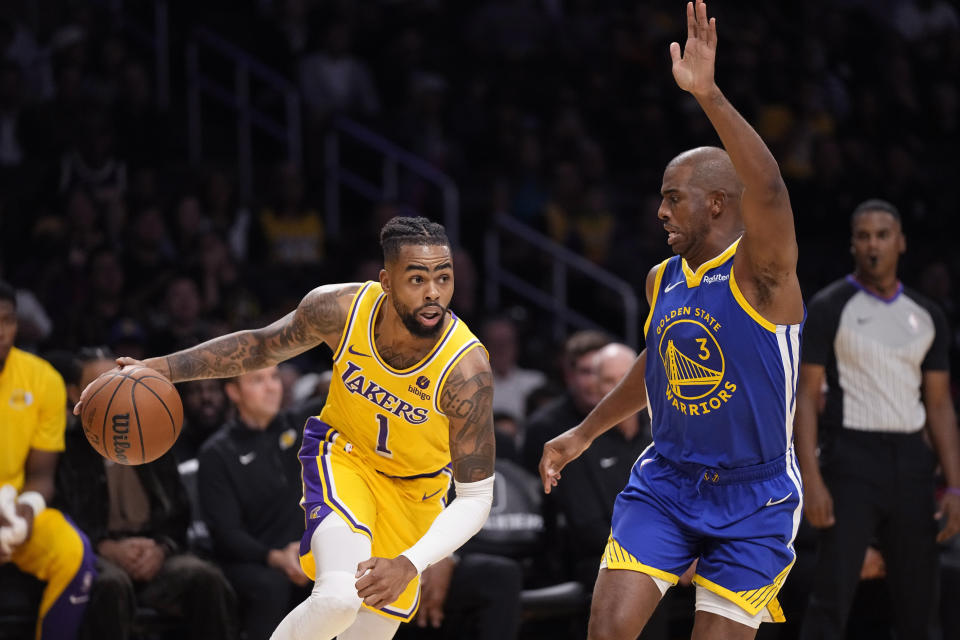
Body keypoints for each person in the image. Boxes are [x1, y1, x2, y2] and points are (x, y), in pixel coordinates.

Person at [75, 216, 496, 640]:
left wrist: (411, 562)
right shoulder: (339, 309)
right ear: (385, 281)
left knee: (363, 633)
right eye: (417, 278)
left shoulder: (466, 370)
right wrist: (160, 368)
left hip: (416, 492)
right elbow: (260, 346)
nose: (433, 293)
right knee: (338, 599)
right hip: (345, 459)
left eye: (444, 278)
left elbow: (476, 498)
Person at [538, 2, 806, 638]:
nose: (659, 210)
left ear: (717, 203)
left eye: (672, 197)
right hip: (668, 482)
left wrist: (708, 94)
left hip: (756, 494)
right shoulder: (664, 278)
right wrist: (583, 433)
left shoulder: (763, 275)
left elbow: (768, 188)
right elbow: (656, 365)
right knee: (605, 632)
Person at [795, 199, 960, 639]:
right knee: (831, 598)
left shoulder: (927, 315)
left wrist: (955, 486)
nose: (873, 244)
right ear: (852, 244)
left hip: (912, 463)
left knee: (920, 602)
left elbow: (940, 405)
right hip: (850, 459)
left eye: (882, 235)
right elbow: (806, 396)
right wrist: (811, 479)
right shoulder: (830, 306)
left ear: (900, 242)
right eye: (864, 236)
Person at [58, 347, 238, 640]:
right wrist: (106, 548)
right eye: (98, 385)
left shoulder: (152, 432)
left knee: (205, 578)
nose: (110, 390)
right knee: (111, 584)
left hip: (154, 550)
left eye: (114, 381)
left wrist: (161, 548)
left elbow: (179, 511)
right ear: (75, 393)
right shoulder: (67, 447)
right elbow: (63, 517)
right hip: (97, 553)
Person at [0, 279, 96, 640]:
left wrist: (20, 520)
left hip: (10, 509)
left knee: (74, 551)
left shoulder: (42, 379)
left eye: (7, 319)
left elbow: (42, 475)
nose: (0, 331)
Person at [198, 365, 324, 640]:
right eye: (257, 380)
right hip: (251, 560)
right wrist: (276, 558)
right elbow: (226, 534)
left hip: (305, 553)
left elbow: (340, 391)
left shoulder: (303, 425)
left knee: (344, 575)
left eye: (274, 378)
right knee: (271, 586)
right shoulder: (216, 453)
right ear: (233, 392)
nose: (271, 388)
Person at [546, 343, 651, 589]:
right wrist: (657, 554)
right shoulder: (579, 443)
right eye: (609, 381)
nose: (619, 389)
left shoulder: (662, 436)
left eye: (626, 379)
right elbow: (588, 529)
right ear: (597, 388)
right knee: (635, 576)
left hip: (666, 549)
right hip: (605, 557)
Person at [520, 329, 610, 475]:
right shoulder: (543, 428)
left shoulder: (634, 420)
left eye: (600, 371)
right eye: (586, 372)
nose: (594, 382)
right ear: (569, 375)